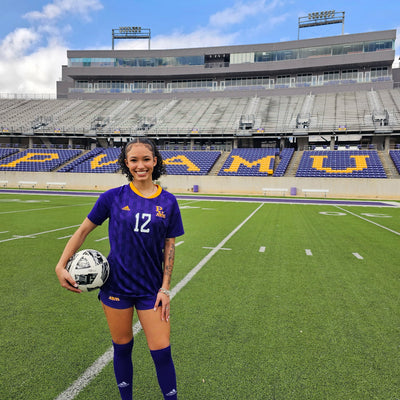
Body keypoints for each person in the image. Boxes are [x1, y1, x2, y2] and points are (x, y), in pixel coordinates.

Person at [55, 137, 184, 400]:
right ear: (126, 163)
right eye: (134, 160)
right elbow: (82, 231)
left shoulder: (169, 202)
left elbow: (169, 247)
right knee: (122, 348)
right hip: (116, 288)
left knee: (162, 352)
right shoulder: (112, 197)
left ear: (155, 161)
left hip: (151, 291)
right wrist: (60, 265)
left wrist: (165, 288)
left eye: (146, 159)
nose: (140, 165)